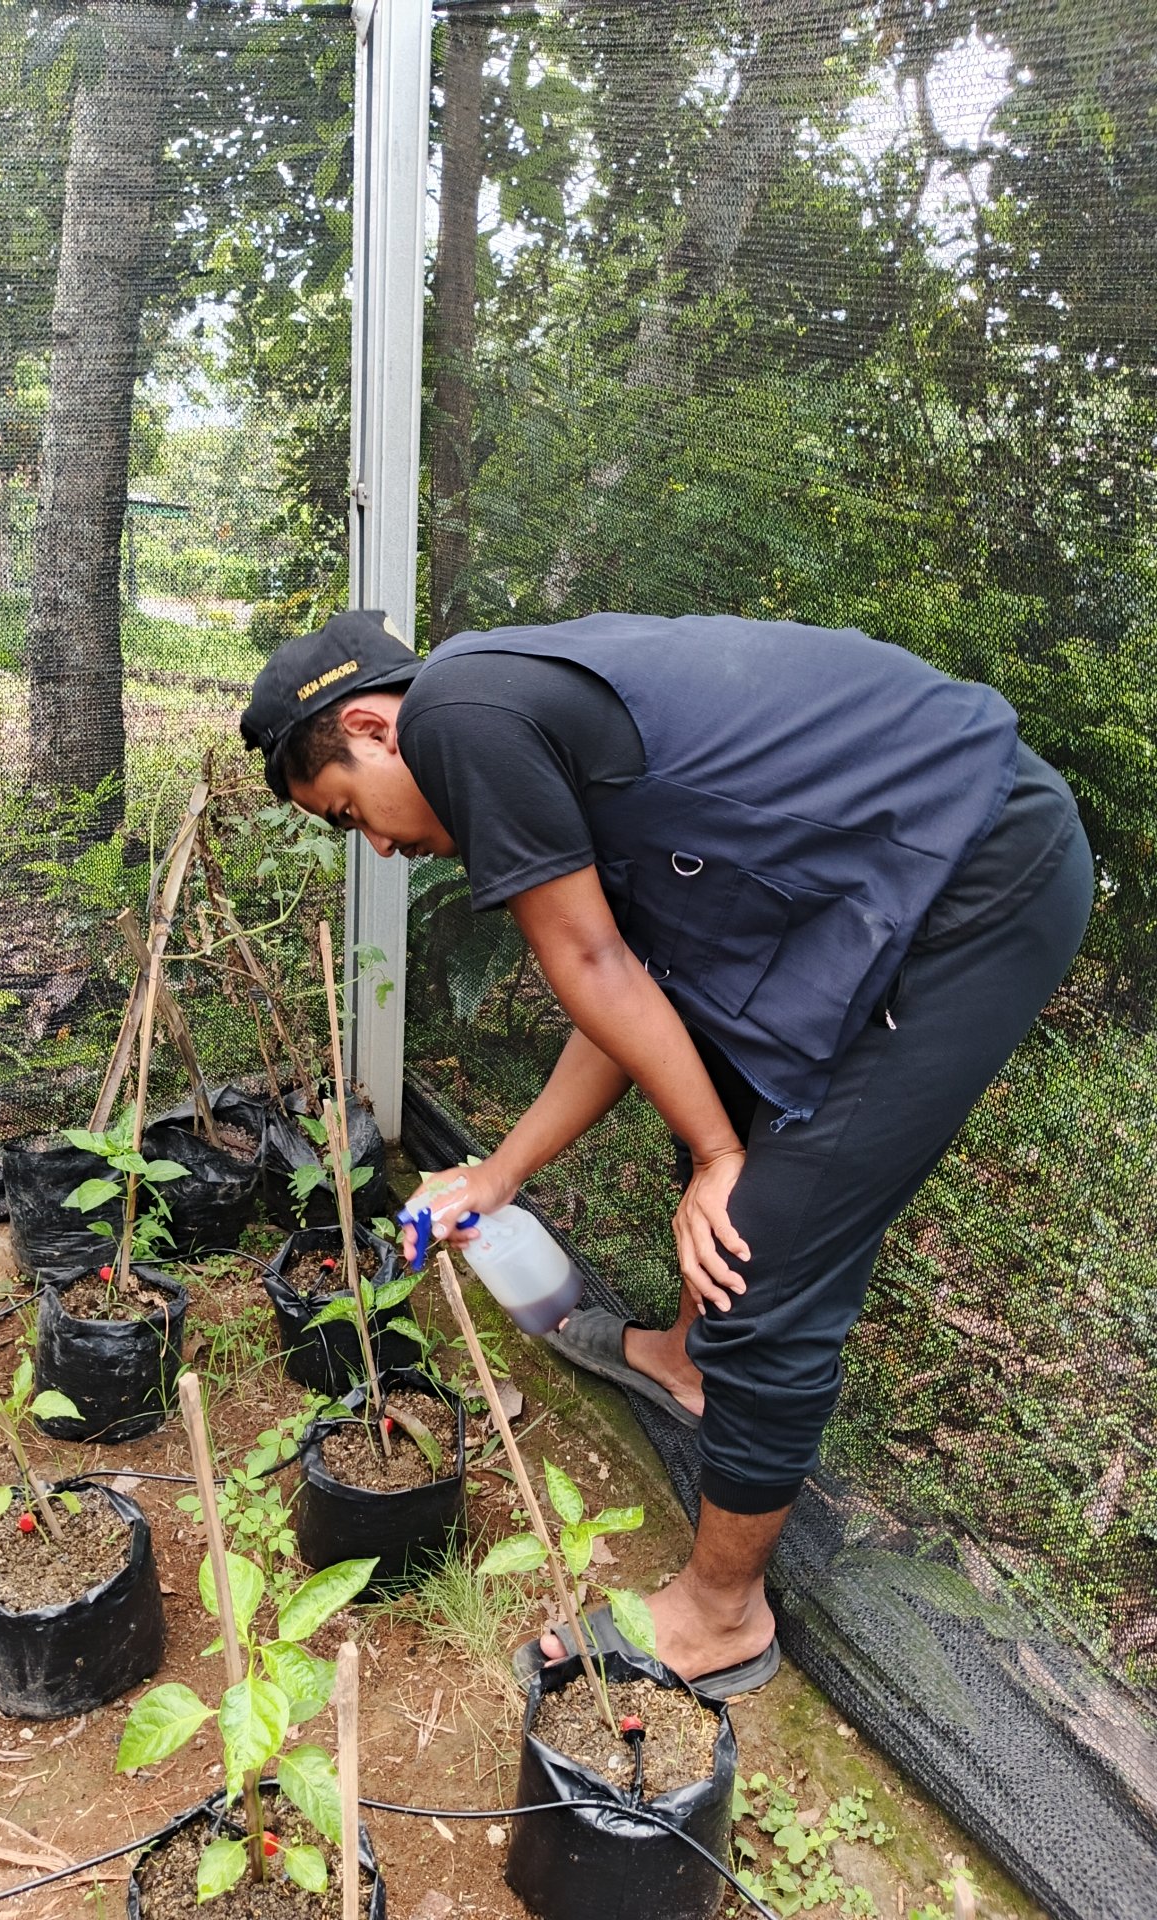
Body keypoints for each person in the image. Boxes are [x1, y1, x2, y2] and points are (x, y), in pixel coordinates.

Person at [240, 607, 1092, 1696]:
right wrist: (500, 1174)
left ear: (373, 726)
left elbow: (592, 963)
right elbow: (629, 1000)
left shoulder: (456, 714)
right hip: (885, 860)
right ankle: (688, 1361)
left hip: (978, 873)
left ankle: (723, 1614)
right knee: (712, 1067)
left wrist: (721, 1156)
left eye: (351, 810)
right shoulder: (517, 711)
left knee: (761, 1248)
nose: (380, 846)